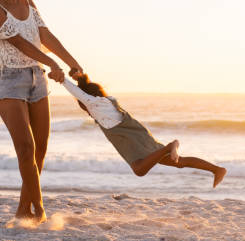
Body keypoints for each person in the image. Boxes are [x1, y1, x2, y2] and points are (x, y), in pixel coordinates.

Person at [0, 0, 83, 222]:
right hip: (10, 83)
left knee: (39, 151)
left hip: (37, 80)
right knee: (25, 148)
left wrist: (72, 62)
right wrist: (51, 62)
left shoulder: (28, 1)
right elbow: (21, 44)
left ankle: (22, 209)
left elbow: (44, 36)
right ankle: (39, 210)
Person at [58, 73, 227, 188]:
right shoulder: (106, 101)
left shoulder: (95, 105)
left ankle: (169, 146)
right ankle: (217, 169)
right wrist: (80, 76)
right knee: (178, 162)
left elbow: (79, 93)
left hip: (132, 140)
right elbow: (83, 89)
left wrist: (62, 79)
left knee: (139, 170)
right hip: (138, 134)